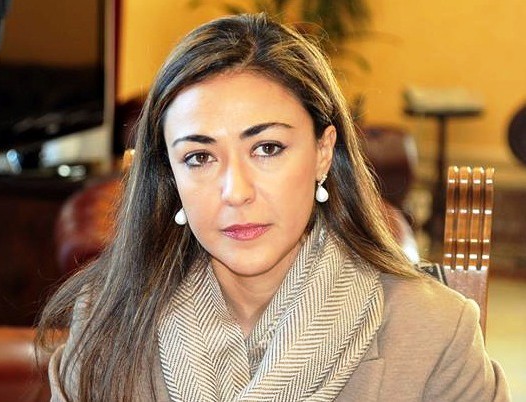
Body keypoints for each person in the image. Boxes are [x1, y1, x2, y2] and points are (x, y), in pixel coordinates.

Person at [37, 13, 510, 402]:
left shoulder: (434, 333)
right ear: (170, 175)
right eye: (199, 157)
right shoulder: (107, 320)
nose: (235, 191)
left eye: (267, 148)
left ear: (323, 152)